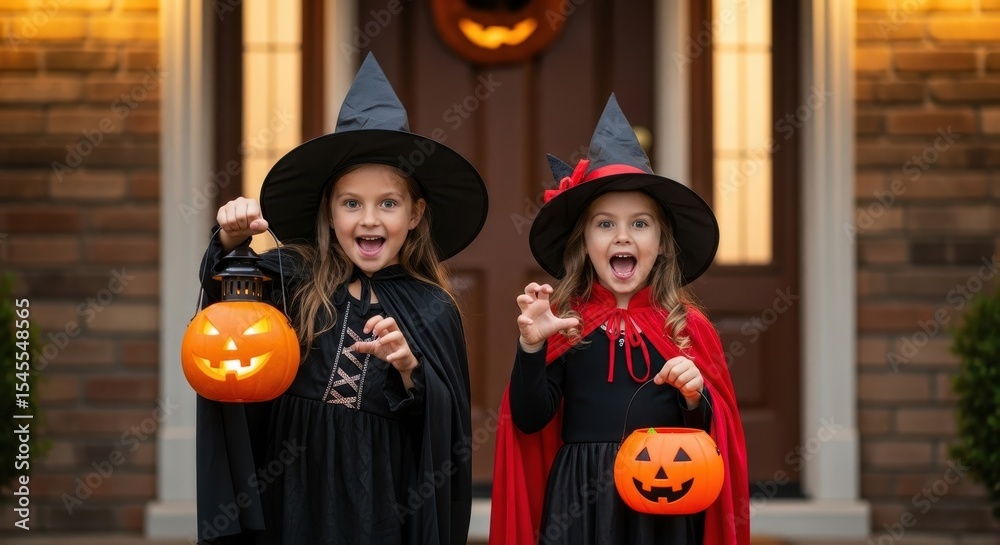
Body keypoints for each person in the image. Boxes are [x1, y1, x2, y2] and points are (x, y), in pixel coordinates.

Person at [193, 53, 488, 545]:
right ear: (329, 214)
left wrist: (411, 369)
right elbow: (223, 314)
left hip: (378, 492)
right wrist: (229, 241)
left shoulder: (432, 307)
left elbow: (444, 428)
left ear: (415, 214)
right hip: (291, 479)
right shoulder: (290, 279)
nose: (369, 220)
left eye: (387, 204)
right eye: (351, 203)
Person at [489, 95, 749, 545]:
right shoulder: (565, 325)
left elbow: (713, 434)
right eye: (605, 224)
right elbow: (529, 421)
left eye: (640, 224)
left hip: (665, 498)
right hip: (579, 502)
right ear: (583, 242)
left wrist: (694, 395)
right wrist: (532, 348)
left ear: (664, 243)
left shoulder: (686, 330)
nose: (623, 235)